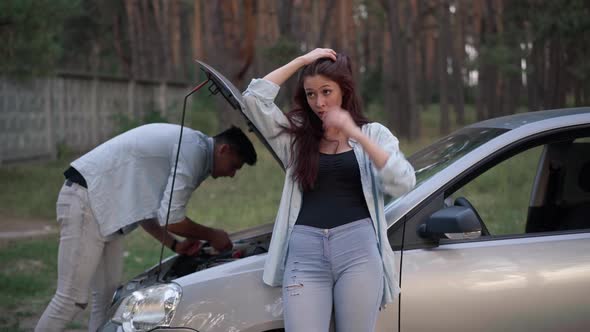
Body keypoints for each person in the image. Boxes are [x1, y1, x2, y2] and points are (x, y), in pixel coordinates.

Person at [242, 48, 415, 331]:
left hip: (358, 251)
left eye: (326, 92)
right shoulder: (297, 135)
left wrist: (354, 132)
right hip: (304, 252)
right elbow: (253, 99)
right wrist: (301, 62)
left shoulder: (374, 134)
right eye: (311, 94)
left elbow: (403, 180)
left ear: (344, 91)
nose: (319, 102)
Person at [35, 123, 257, 331]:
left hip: (102, 209)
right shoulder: (194, 152)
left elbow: (145, 210)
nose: (232, 174)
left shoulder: (194, 148)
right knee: (70, 299)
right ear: (224, 149)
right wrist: (212, 235)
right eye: (234, 166)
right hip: (86, 200)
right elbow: (172, 219)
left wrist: (174, 244)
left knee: (106, 297)